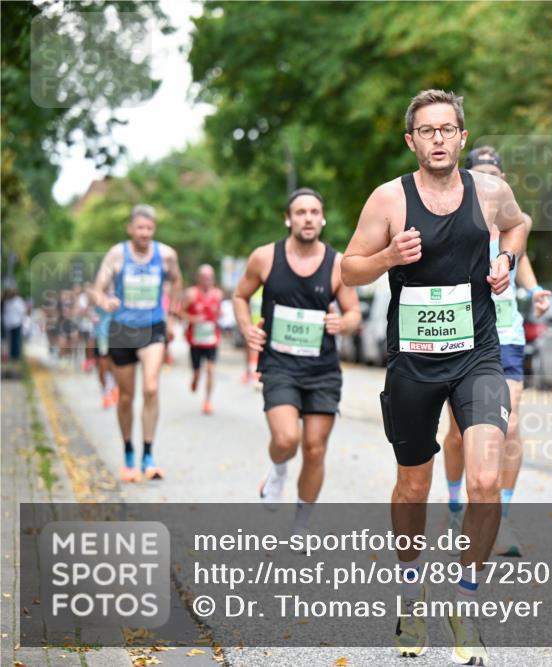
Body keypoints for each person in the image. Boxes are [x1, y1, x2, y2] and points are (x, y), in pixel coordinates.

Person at [342, 89, 527, 664]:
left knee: (485, 480)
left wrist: (506, 261)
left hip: (479, 354)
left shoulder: (490, 191)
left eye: (448, 129)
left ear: (463, 138)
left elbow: (518, 226)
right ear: (412, 140)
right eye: (428, 131)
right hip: (414, 361)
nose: (439, 139)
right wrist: (387, 259)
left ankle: (465, 601)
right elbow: (348, 267)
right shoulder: (389, 199)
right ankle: (409, 587)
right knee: (413, 488)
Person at [442, 146, 551, 558]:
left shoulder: (516, 219)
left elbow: (519, 259)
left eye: (496, 174)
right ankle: (455, 507)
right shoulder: (452, 214)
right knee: (456, 433)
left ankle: (500, 517)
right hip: (460, 334)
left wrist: (535, 291)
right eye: (482, 174)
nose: (491, 180)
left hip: (505, 334)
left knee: (509, 425)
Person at [233, 187, 360, 537]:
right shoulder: (265, 257)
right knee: (287, 439)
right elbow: (240, 296)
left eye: (314, 212)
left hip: (322, 370)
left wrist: (343, 323)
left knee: (315, 449)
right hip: (279, 365)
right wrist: (246, 328)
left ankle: (302, 523)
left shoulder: (336, 263)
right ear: (288, 219)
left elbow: (353, 313)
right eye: (300, 212)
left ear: (322, 219)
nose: (308, 218)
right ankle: (277, 471)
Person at [91, 204, 183, 482]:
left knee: (151, 387)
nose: (144, 233)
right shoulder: (117, 255)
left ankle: (149, 454)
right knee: (127, 396)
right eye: (139, 228)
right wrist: (105, 301)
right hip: (122, 330)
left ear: (153, 230)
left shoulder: (166, 255)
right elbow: (96, 289)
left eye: (149, 228)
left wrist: (171, 315)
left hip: (153, 328)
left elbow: (177, 281)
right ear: (130, 229)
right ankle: (129, 451)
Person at [180, 265, 223, 415]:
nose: (208, 281)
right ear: (199, 278)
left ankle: (207, 401)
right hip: (196, 340)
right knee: (198, 371)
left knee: (211, 370)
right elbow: (180, 311)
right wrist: (193, 318)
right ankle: (195, 377)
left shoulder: (218, 294)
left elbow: (220, 312)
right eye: (205, 278)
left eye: (210, 278)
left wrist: (219, 316)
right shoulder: (192, 294)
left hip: (211, 339)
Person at [94, 302, 118, 409]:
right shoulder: (96, 294)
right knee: (103, 365)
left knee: (115, 365)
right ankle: (105, 393)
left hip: (117, 335)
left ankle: (114, 389)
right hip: (102, 336)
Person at [2, 285, 27, 364]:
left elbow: (22, 312)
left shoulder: (18, 301)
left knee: (16, 341)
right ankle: (11, 356)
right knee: (10, 341)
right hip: (9, 324)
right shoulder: (7, 301)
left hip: (16, 323)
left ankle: (15, 357)